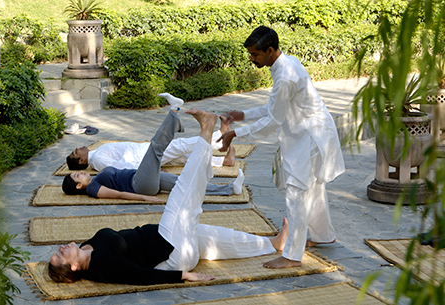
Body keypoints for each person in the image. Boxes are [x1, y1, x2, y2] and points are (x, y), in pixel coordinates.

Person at [48, 108, 289, 285]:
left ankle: (272, 244)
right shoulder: (102, 266)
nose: (60, 247)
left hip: (174, 242)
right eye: (60, 254)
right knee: (184, 193)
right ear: (74, 266)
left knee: (218, 237)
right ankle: (206, 130)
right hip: (170, 249)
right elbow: (140, 276)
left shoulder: (85, 247)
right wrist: (184, 276)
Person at [216, 26, 345, 269]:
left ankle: (292, 256)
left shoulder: (285, 75)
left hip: (311, 138)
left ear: (271, 50)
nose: (251, 59)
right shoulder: (286, 63)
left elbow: (274, 119)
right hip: (311, 133)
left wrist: (236, 132)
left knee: (297, 193)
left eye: (255, 54)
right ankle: (324, 236)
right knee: (313, 189)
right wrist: (242, 115)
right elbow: (276, 107)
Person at [62, 105, 245, 201]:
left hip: (143, 176)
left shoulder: (96, 175)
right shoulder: (94, 188)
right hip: (140, 183)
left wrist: (152, 171)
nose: (83, 173)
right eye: (78, 175)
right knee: (158, 147)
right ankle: (175, 111)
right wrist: (145, 197)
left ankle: (230, 189)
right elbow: (120, 195)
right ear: (78, 186)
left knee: (185, 183)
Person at [65, 94, 236, 171]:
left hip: (144, 152)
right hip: (145, 157)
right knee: (180, 145)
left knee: (182, 157)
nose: (78, 147)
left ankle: (222, 161)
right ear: (81, 160)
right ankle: (219, 140)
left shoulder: (96, 156)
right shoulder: (98, 160)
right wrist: (151, 169)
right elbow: (123, 167)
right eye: (76, 152)